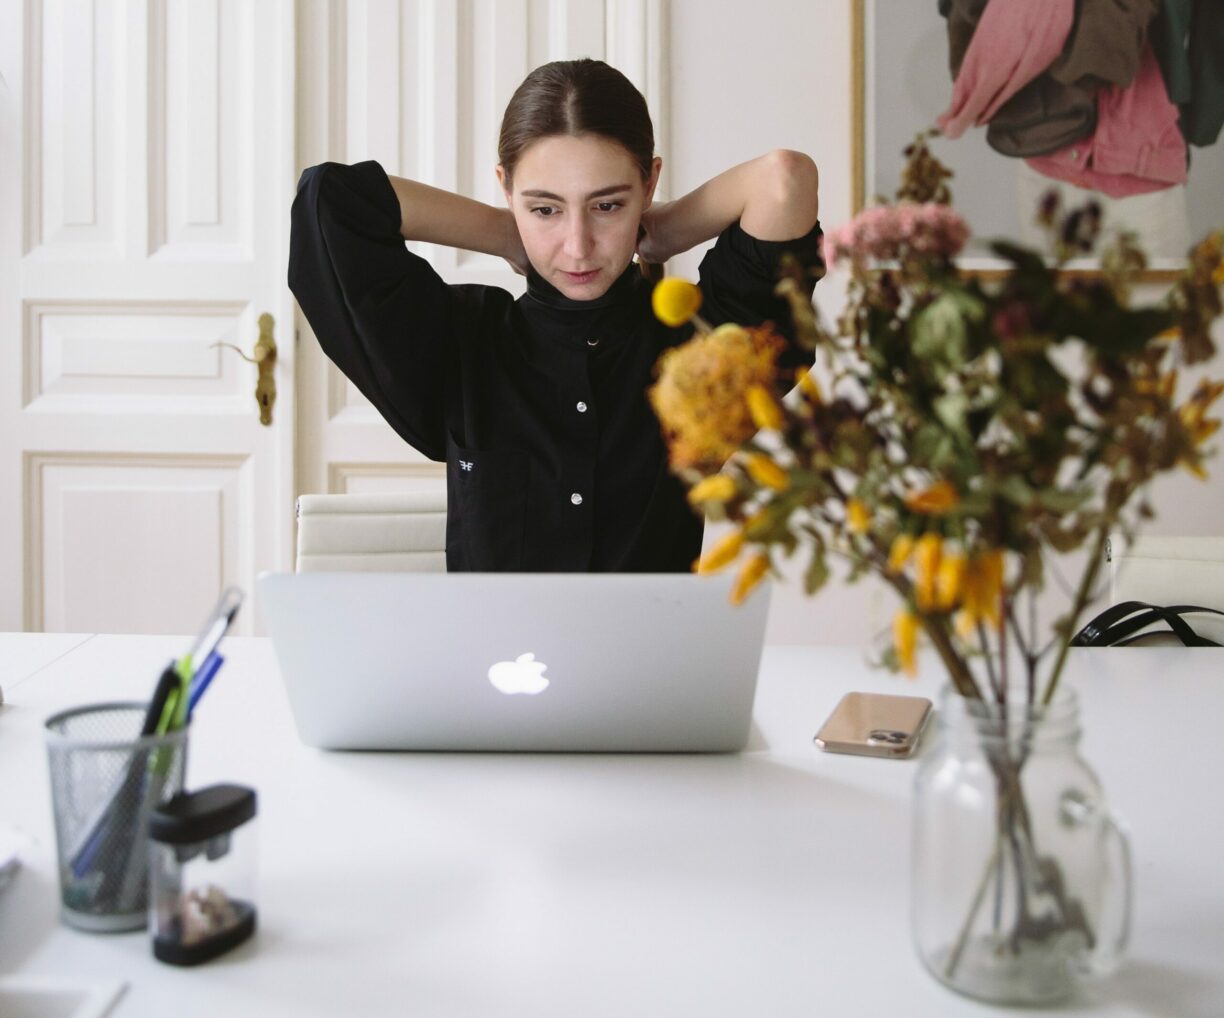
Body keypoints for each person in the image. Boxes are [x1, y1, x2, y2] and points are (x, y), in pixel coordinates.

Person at [288, 58, 823, 573]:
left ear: (649, 184)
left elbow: (783, 179)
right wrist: (502, 231)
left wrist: (665, 230)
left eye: (607, 205)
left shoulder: (699, 356)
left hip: (654, 668)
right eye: (545, 208)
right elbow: (328, 200)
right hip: (488, 667)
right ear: (506, 188)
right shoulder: (462, 343)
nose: (578, 246)